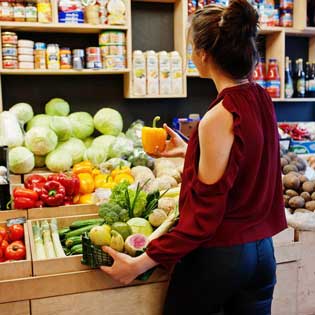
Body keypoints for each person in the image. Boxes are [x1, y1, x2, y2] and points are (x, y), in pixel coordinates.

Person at [100, 0, 287, 314]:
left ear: (203, 55)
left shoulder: (218, 116)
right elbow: (246, 164)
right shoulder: (260, 97)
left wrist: (138, 264)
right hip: (262, 257)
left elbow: (202, 220)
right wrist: (191, 149)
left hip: (220, 261)